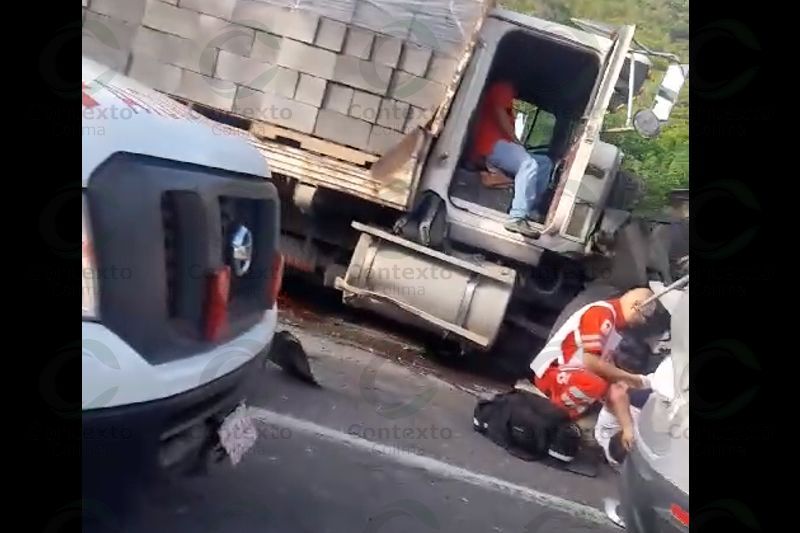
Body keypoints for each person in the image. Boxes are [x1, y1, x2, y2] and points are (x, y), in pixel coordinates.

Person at [528, 288, 656, 421]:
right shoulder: (602, 313)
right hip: (550, 371)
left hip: (568, 369)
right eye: (645, 317)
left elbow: (605, 364)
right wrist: (633, 378)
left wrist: (622, 382)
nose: (643, 323)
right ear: (636, 306)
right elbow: (590, 361)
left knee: (611, 387)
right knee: (595, 384)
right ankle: (554, 416)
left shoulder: (614, 325)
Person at [471, 80, 554, 237]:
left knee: (544, 163)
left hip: (500, 144)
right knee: (528, 164)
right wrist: (517, 142)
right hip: (490, 145)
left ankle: (530, 209)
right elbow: (500, 115)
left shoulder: (509, 95)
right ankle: (517, 217)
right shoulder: (503, 87)